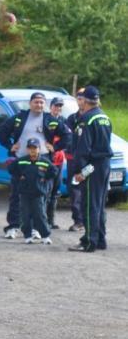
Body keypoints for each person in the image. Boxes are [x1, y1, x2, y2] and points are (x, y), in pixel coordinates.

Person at [0, 92, 71, 239]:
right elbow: (1, 132)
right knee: (16, 195)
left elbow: (68, 136)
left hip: (42, 162)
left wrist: (55, 147)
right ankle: (13, 226)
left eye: (42, 102)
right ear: (30, 103)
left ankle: (38, 228)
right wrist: (9, 145)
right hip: (21, 161)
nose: (39, 105)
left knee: (41, 197)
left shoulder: (50, 119)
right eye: (36, 102)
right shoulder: (19, 117)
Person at [68, 86, 112, 253]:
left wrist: (80, 171)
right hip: (104, 165)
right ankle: (100, 239)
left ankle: (88, 241)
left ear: (85, 101)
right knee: (99, 204)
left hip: (91, 166)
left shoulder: (86, 119)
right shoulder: (105, 117)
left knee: (89, 205)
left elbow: (82, 148)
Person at [8, 138, 57, 245]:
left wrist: (45, 178)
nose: (32, 151)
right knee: (25, 215)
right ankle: (27, 235)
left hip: (38, 193)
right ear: (27, 149)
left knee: (40, 215)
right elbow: (11, 168)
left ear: (39, 149)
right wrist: (19, 176)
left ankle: (45, 236)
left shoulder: (44, 162)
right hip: (25, 193)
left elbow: (54, 171)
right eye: (30, 148)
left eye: (35, 148)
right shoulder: (22, 160)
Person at [64, 90, 86, 232]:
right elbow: (67, 138)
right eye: (79, 98)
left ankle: (92, 222)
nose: (81, 101)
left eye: (84, 98)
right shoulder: (72, 119)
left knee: (91, 193)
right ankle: (78, 221)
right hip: (74, 161)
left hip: (90, 162)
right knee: (75, 191)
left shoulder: (95, 118)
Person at [45, 97, 69, 230]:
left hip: (59, 161)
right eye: (56, 106)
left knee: (55, 192)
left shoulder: (63, 121)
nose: (58, 108)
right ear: (51, 106)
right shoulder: (45, 120)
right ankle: (42, 220)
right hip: (47, 161)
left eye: (60, 106)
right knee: (46, 192)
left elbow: (68, 139)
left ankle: (51, 220)